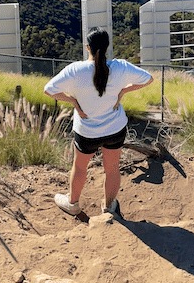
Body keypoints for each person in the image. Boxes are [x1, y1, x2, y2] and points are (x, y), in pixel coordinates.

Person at [44, 27, 153, 217]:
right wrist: (123, 91)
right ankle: (109, 206)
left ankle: (73, 204)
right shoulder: (120, 66)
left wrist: (73, 101)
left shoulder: (75, 70)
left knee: (79, 168)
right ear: (107, 47)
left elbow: (49, 89)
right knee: (111, 169)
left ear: (87, 47)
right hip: (114, 129)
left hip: (87, 132)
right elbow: (148, 79)